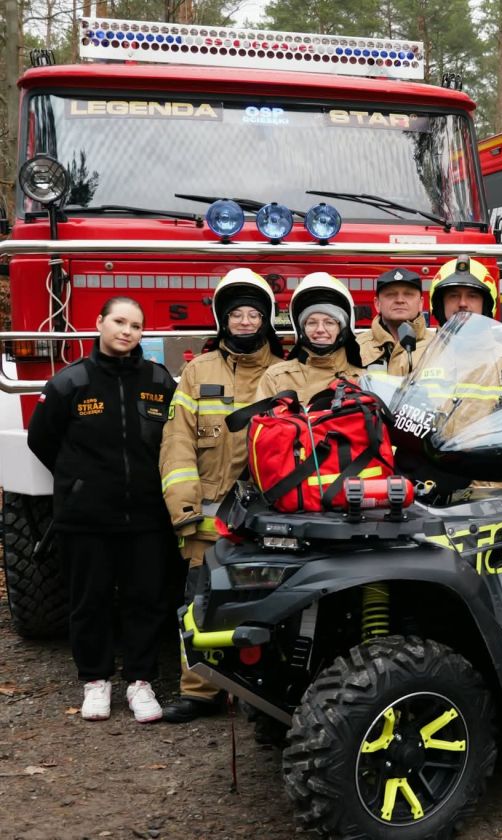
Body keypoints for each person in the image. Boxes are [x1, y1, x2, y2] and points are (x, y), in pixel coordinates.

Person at [27, 297, 176, 723]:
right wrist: (80, 481)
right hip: (85, 517)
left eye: (136, 325)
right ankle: (96, 681)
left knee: (145, 598)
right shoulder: (70, 382)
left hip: (147, 515)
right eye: (119, 322)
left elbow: (172, 439)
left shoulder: (158, 380)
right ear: (99, 323)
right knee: (88, 600)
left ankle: (141, 683)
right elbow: (42, 439)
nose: (127, 331)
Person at [157, 269, 284, 723]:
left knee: (269, 601)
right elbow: (177, 444)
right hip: (208, 520)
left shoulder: (286, 370)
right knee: (199, 602)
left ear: (267, 319)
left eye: (254, 314)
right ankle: (200, 691)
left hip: (274, 515)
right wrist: (185, 508)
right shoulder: (196, 372)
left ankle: (259, 692)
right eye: (237, 314)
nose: (246, 322)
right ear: (222, 320)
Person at [430, 255, 502, 447]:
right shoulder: (417, 357)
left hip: (493, 474)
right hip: (433, 474)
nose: (462, 303)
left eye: (472, 296)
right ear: (440, 305)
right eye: (453, 295)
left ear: (486, 306)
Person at [256, 272, 364, 403]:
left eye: (329, 323)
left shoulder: (362, 380)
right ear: (302, 328)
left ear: (342, 329)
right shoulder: (275, 377)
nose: (320, 330)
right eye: (312, 322)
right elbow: (261, 422)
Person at [357, 267, 429, 375]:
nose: (400, 300)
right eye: (390, 295)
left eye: (408, 294)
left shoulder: (439, 346)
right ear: (377, 304)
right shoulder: (356, 347)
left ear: (420, 303)